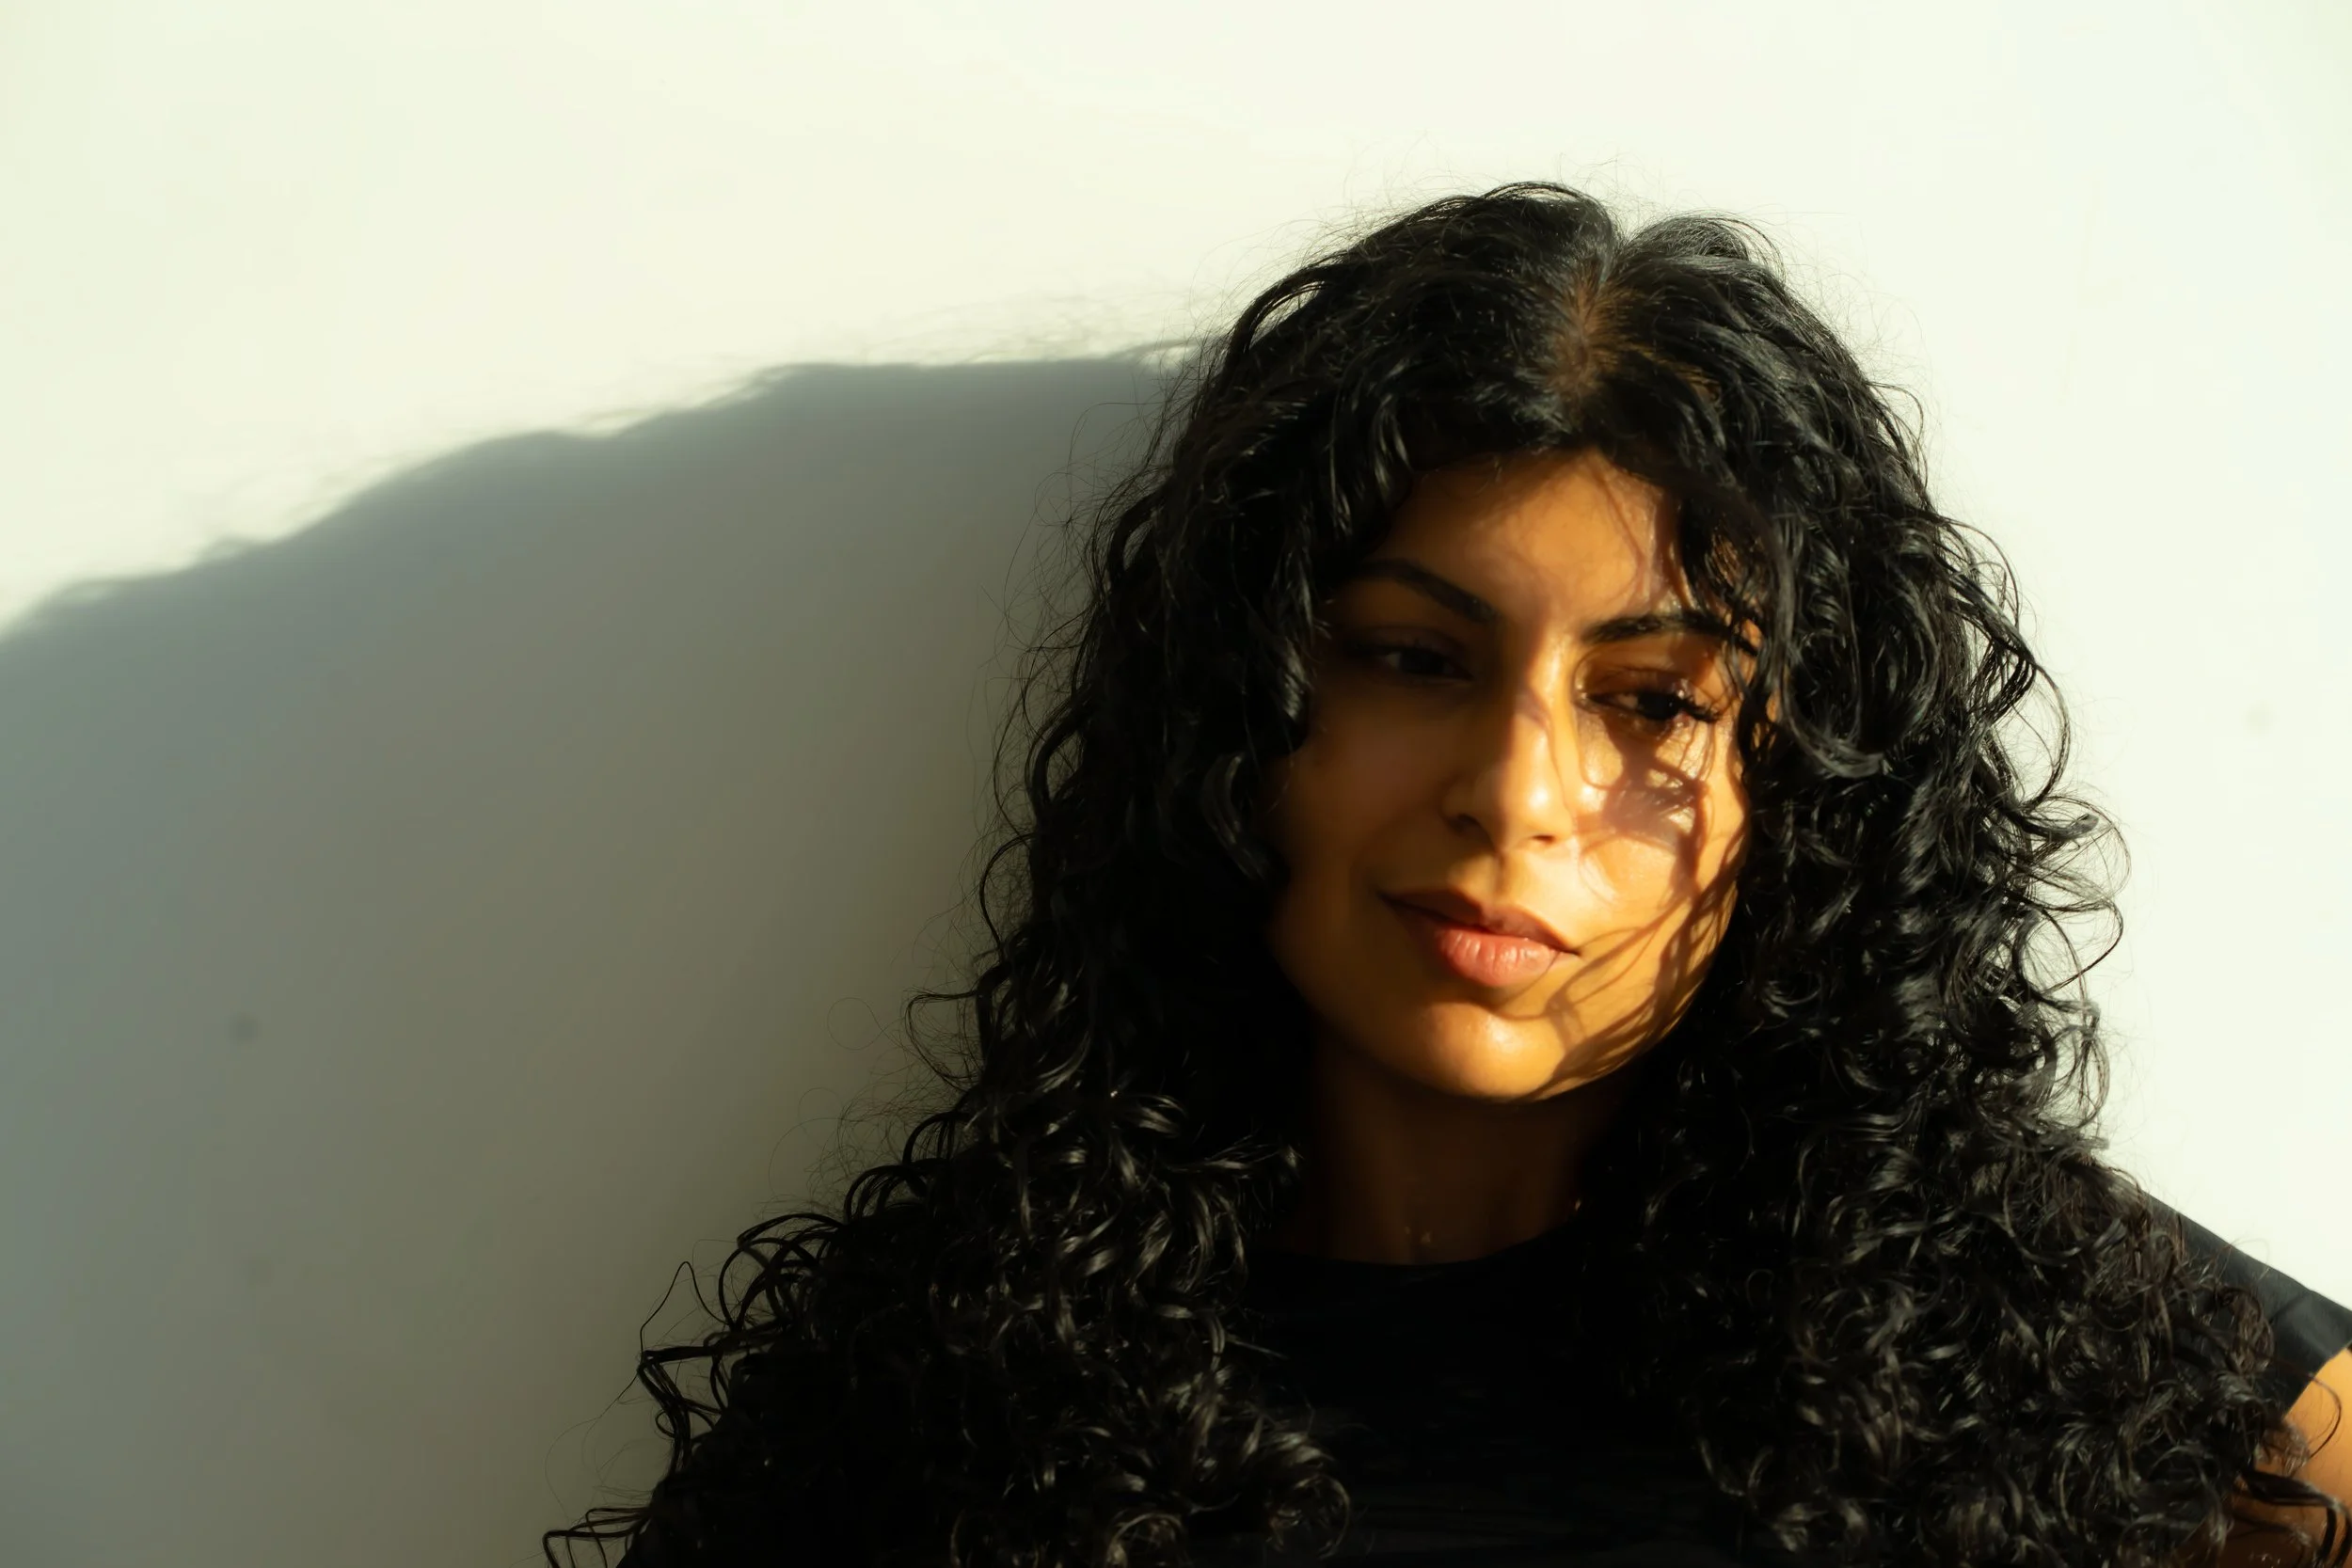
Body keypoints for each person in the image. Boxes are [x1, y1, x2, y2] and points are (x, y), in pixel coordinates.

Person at [544, 182, 2352, 1568]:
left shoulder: (2029, 1331)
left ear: (1807, 789)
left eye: (1652, 700)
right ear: (1235, 717)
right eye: (1414, 657)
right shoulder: (946, 1402)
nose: (1517, 794)